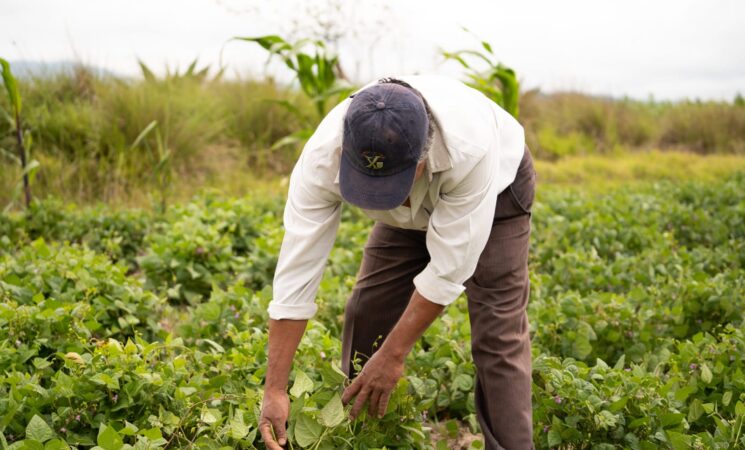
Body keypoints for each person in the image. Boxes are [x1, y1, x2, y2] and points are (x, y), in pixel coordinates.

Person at [259, 74, 536, 450]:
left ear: (422, 161)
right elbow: (297, 271)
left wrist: (393, 356)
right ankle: (360, 432)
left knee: (496, 335)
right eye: (365, 181)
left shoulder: (470, 150)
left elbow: (446, 272)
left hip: (496, 192)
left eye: (388, 183)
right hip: (414, 209)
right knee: (368, 308)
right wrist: (274, 388)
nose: (379, 197)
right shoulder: (324, 155)